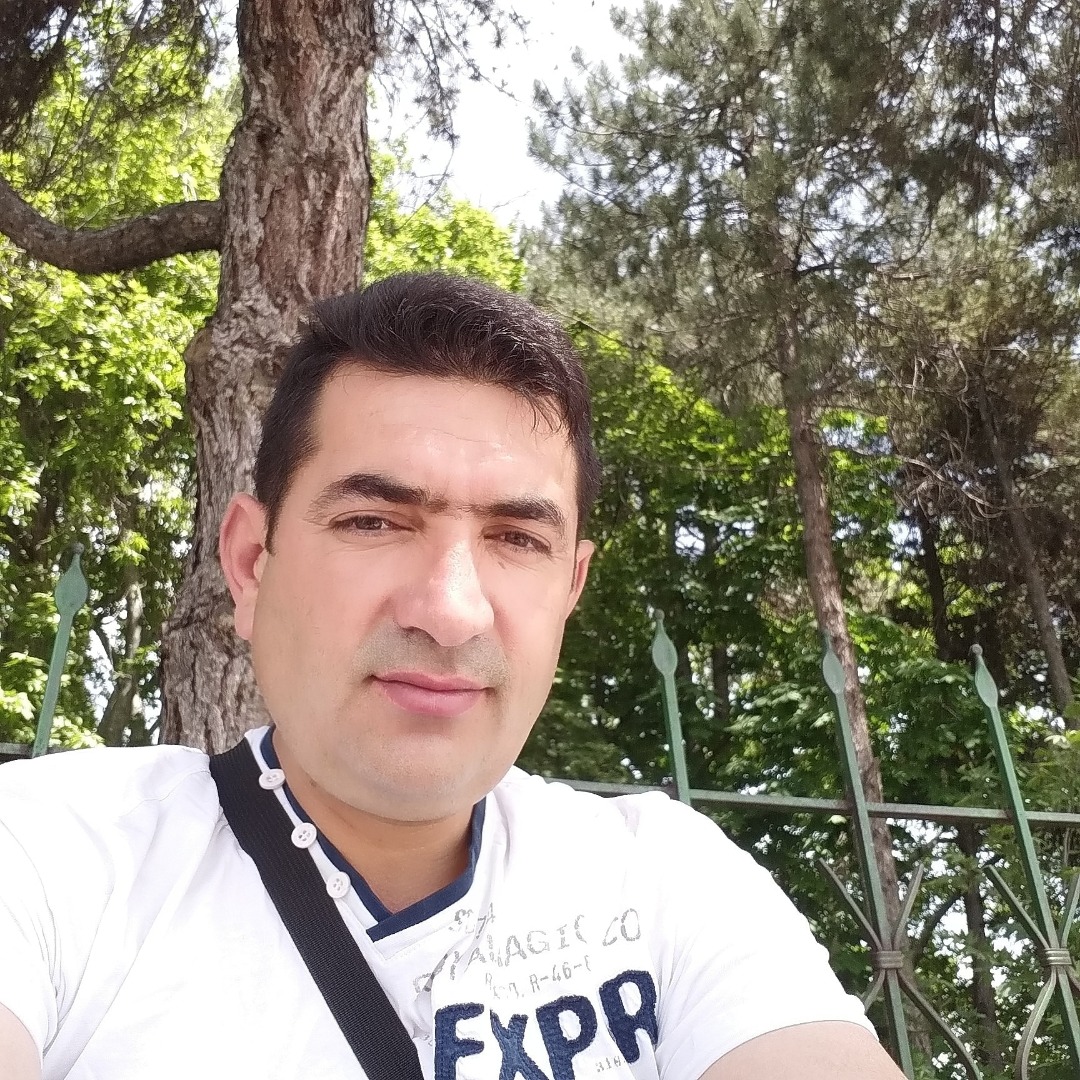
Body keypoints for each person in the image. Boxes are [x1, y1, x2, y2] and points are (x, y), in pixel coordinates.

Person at [0, 272, 904, 1080]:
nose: (451, 609)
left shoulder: (667, 883)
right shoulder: (55, 855)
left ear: (570, 589)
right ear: (249, 564)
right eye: (373, 522)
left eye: (517, 538)